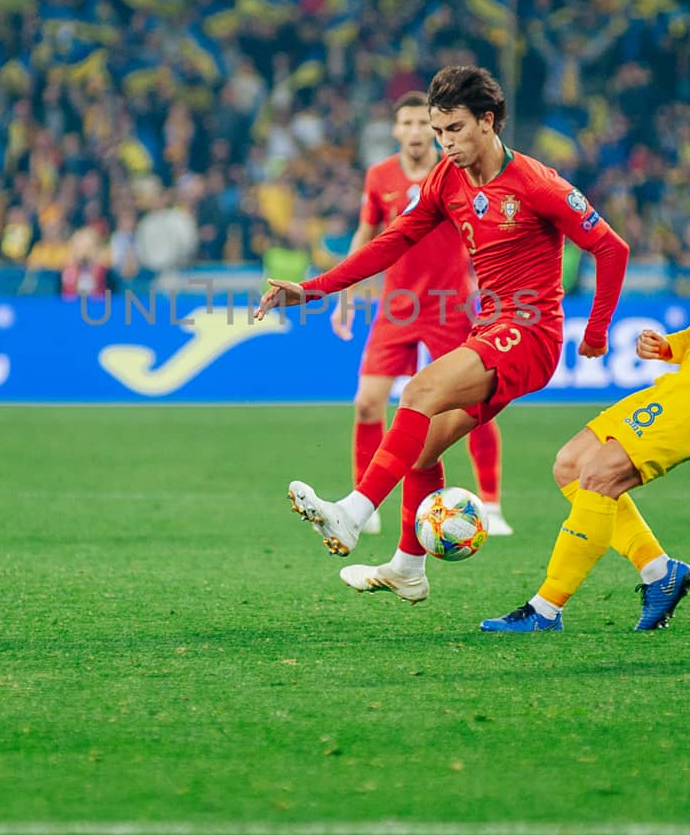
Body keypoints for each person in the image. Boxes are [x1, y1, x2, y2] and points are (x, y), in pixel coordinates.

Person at [256, 66, 629, 603]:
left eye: (454, 129)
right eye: (437, 131)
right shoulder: (445, 181)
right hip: (490, 326)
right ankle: (409, 567)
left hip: (531, 333)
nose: (444, 143)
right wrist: (313, 290)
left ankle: (353, 514)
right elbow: (392, 242)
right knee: (422, 449)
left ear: (488, 121)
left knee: (417, 391)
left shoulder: (537, 184)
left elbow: (612, 248)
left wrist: (595, 332)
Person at [481, 105, 690, 633]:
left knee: (599, 475)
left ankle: (545, 609)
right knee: (571, 464)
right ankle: (659, 571)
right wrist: (671, 345)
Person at [331, 91, 508, 546]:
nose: (413, 132)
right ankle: (362, 502)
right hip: (396, 306)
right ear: (395, 130)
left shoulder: (456, 172)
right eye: (405, 123)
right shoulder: (379, 176)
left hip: (449, 306)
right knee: (368, 402)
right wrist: (346, 294)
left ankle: (490, 502)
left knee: (468, 406)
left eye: (420, 124)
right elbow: (367, 235)